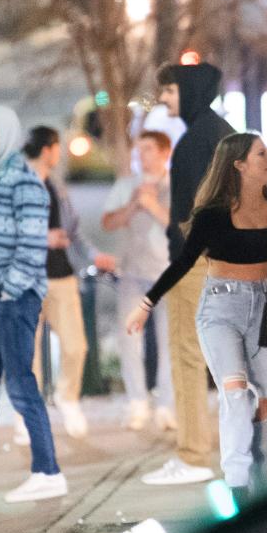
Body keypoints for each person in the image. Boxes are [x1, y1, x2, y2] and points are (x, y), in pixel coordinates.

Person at [125, 133, 267, 500]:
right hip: (220, 309)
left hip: (266, 307)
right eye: (261, 155)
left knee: (266, 400)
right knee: (235, 394)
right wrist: (146, 305)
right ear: (238, 165)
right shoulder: (212, 215)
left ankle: (261, 473)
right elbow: (183, 263)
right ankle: (237, 484)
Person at [142, 61, 235, 485]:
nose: (163, 98)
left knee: (186, 355)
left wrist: (177, 259)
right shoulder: (226, 134)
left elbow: (187, 216)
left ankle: (193, 455)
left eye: (170, 90)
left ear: (189, 91)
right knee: (238, 354)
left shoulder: (195, 142)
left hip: (195, 263)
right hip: (231, 259)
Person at [0, 106, 67, 503]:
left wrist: (8, 291)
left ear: (6, 134)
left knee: (21, 385)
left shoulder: (24, 181)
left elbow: (31, 246)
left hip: (14, 300)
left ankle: (48, 471)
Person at [21, 126, 117, 445]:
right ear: (48, 149)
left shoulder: (57, 186)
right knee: (27, 354)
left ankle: (68, 398)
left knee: (76, 346)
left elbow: (73, 231)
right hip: (27, 279)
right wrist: (42, 238)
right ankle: (28, 415)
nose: (59, 153)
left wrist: (93, 254)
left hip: (62, 276)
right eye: (57, 147)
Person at [101, 130, 176, 432]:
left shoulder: (177, 184)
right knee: (129, 337)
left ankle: (167, 406)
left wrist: (154, 206)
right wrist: (133, 204)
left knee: (168, 342)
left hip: (168, 272)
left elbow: (182, 229)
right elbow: (107, 223)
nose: (141, 155)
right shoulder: (126, 185)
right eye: (139, 150)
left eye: (147, 149)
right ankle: (137, 402)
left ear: (164, 152)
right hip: (132, 271)